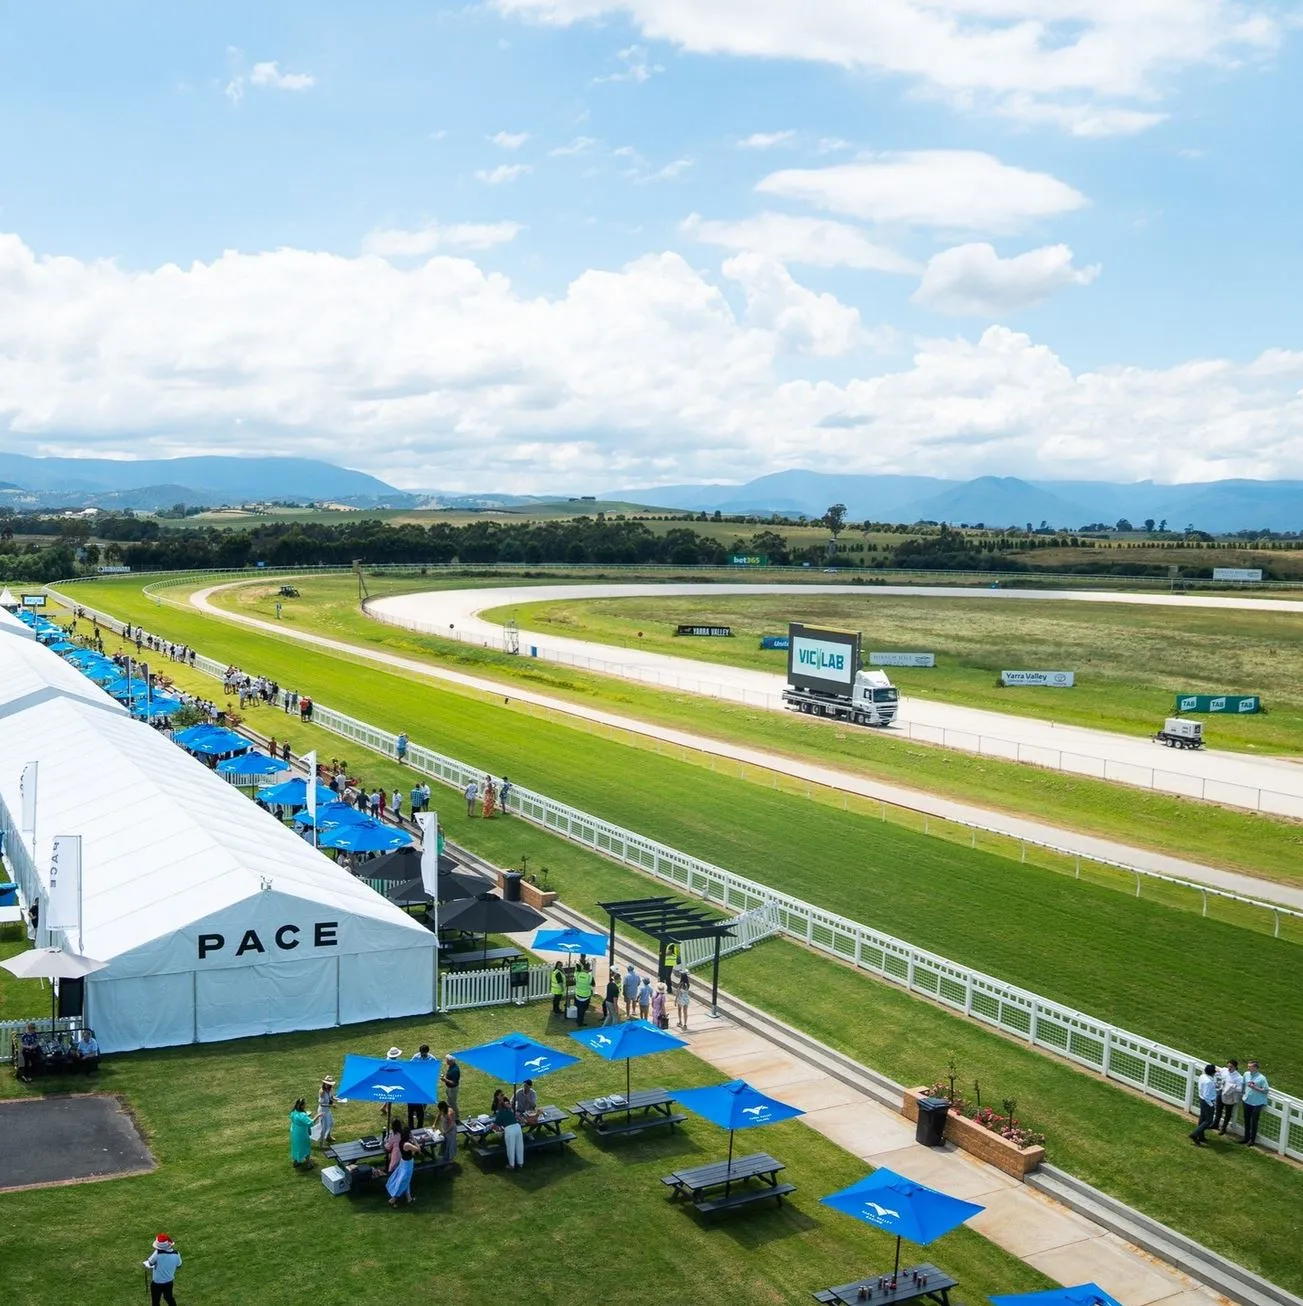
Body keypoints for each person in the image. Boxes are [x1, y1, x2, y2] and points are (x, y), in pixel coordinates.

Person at [386, 1121, 419, 1206]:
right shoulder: (407, 1144)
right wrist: (414, 1139)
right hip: (407, 1165)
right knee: (404, 1181)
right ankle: (392, 1200)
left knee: (406, 1181)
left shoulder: (401, 1141)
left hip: (403, 1162)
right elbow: (418, 1149)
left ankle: (409, 1198)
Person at [143, 1233, 182, 1306]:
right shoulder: (176, 1254)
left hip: (157, 1283)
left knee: (155, 1301)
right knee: (169, 1297)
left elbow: (150, 1263)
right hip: (169, 1282)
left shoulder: (157, 1253)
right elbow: (179, 1265)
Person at [1241, 1061, 1270, 1146]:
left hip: (1257, 1103)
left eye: (1250, 1067)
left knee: (1254, 1122)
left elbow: (1266, 1090)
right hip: (1247, 1100)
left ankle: (1252, 1140)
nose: (1248, 1068)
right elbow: (1243, 1083)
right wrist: (1243, 1092)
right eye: (1248, 1066)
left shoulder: (1262, 1078)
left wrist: (1255, 1087)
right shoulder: (1246, 1074)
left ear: (1256, 1068)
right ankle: (1246, 1137)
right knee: (1246, 1120)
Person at [1189, 1064, 1218, 1145]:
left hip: (1202, 1099)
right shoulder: (1209, 1082)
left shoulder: (1202, 1076)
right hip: (1208, 1101)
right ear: (1213, 1072)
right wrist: (1211, 1105)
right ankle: (1195, 1134)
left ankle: (1201, 1137)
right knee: (1209, 1121)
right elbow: (1206, 1095)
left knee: (1202, 1118)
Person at [409, 1045, 437, 1129]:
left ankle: (423, 1111)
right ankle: (415, 1111)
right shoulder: (416, 1057)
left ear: (427, 1052)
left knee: (425, 1096)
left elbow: (435, 1067)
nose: (422, 1054)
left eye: (424, 1053)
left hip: (427, 1080)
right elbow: (410, 1065)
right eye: (421, 1053)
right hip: (417, 1079)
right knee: (417, 1095)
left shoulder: (432, 1058)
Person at [495, 1094, 524, 1170]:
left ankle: (511, 1165)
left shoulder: (500, 1113)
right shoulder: (510, 1110)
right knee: (519, 1146)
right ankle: (520, 1163)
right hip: (518, 1128)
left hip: (509, 1130)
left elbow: (495, 1126)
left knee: (510, 1147)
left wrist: (499, 1129)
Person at [1214, 1059, 1243, 1134]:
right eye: (1228, 1066)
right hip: (1221, 1092)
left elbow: (1240, 1089)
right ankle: (1215, 1124)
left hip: (1229, 1096)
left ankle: (1223, 1128)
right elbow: (1219, 1069)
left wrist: (1231, 1086)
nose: (1229, 1068)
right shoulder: (1224, 1070)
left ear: (1235, 1067)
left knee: (1228, 1113)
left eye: (1231, 1067)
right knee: (1218, 1109)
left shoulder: (1238, 1077)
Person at [290, 1098, 316, 1168]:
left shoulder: (293, 1112)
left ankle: (296, 1161)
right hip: (302, 1133)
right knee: (305, 1147)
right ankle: (309, 1164)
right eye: (304, 1104)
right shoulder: (302, 1115)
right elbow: (310, 1123)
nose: (305, 1105)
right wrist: (318, 1116)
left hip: (295, 1132)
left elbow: (297, 1119)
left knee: (296, 1147)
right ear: (302, 1106)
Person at [436, 1099, 458, 1164]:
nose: (440, 1111)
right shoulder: (442, 1110)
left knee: (450, 1145)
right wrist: (434, 1124)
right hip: (445, 1130)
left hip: (451, 1132)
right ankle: (445, 1159)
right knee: (445, 1144)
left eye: (441, 1109)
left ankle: (450, 1162)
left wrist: (446, 1131)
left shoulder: (449, 1113)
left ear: (444, 1107)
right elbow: (438, 1115)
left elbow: (452, 1124)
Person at [316, 1077, 336, 1146]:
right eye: (326, 1083)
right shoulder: (322, 1092)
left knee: (331, 1123)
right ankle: (321, 1143)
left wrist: (336, 1098)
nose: (327, 1085)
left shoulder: (330, 1089)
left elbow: (331, 1097)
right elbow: (321, 1104)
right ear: (324, 1083)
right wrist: (331, 1105)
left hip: (327, 1110)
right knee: (323, 1127)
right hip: (322, 1111)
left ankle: (328, 1137)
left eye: (329, 1084)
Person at [573, 961, 593, 1026]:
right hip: (585, 996)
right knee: (583, 1010)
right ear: (589, 969)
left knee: (579, 1008)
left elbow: (574, 977)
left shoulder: (577, 974)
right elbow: (593, 984)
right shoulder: (589, 977)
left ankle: (578, 1019)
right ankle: (580, 1022)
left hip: (577, 995)